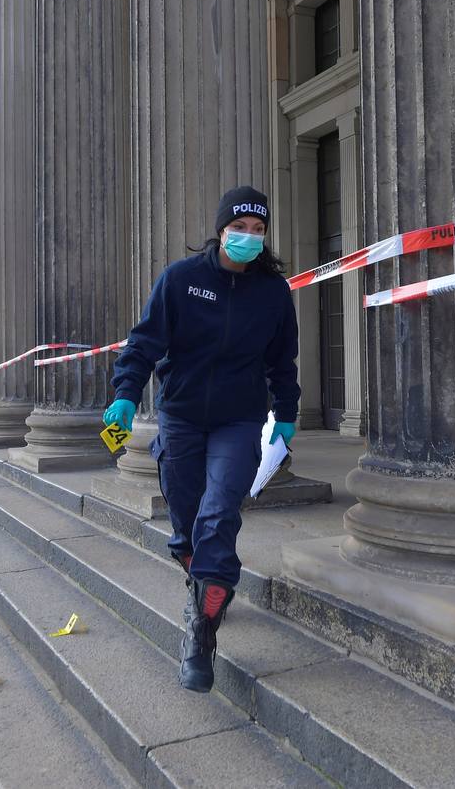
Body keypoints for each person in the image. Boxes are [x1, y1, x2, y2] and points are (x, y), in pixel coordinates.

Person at [104, 186, 299, 693]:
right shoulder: (181, 280)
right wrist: (126, 394)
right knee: (188, 527)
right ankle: (204, 588)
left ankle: (200, 635)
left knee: (219, 515)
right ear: (220, 230)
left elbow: (282, 361)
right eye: (240, 228)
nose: (249, 238)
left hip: (239, 421)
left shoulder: (273, 292)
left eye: (258, 231)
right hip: (182, 417)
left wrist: (287, 413)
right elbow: (145, 342)